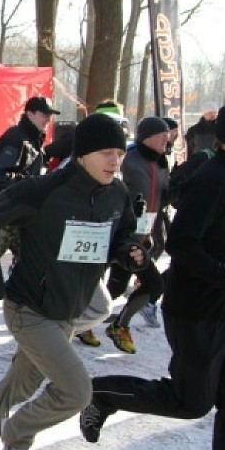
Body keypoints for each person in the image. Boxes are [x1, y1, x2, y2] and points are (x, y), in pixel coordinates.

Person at [0, 113, 144, 450]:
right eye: (106, 153)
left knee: (23, 383)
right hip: (29, 308)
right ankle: (17, 434)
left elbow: (122, 233)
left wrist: (129, 252)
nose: (116, 161)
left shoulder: (117, 193)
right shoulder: (43, 190)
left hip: (68, 310)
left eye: (120, 153)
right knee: (76, 391)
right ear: (82, 155)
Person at [80, 100, 225, 450]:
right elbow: (185, 246)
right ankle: (102, 394)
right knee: (192, 403)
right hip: (197, 310)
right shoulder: (214, 180)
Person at [77, 116, 170, 352]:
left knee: (153, 284)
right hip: (113, 234)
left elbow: (162, 198)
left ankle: (119, 324)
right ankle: (82, 323)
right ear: (148, 137)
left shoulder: (162, 164)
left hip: (138, 237)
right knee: (103, 286)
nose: (167, 142)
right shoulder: (127, 159)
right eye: (162, 137)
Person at [0, 96, 59, 262]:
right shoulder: (17, 138)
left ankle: (18, 284)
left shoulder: (33, 138)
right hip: (4, 213)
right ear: (29, 114)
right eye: (44, 114)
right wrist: (29, 183)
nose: (48, 119)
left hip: (20, 212)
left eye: (50, 115)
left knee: (34, 258)